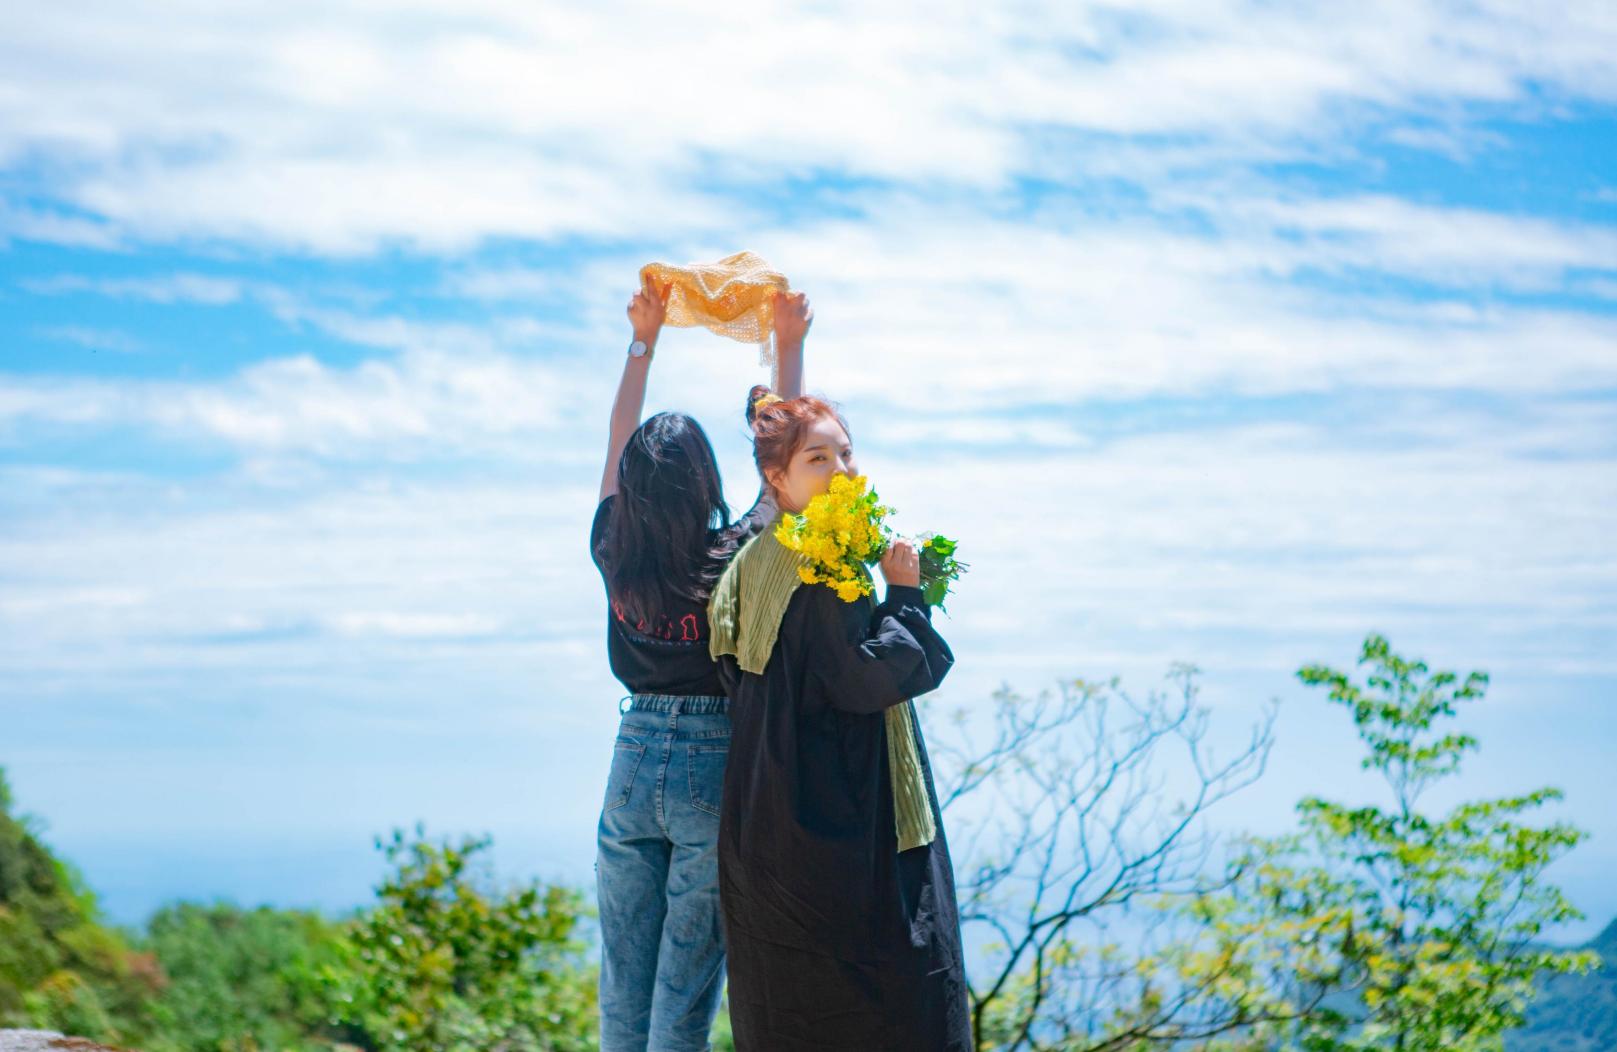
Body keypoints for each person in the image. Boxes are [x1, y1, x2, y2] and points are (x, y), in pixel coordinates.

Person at [705, 390, 971, 1051]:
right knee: (891, 1004)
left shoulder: (756, 558)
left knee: (788, 1007)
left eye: (846, 454)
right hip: (845, 839)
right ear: (777, 478)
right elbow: (864, 678)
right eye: (817, 458)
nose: (842, 472)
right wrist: (905, 597)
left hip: (765, 823)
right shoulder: (820, 565)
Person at [591, 273, 812, 1052]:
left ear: (633, 489)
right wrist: (789, 348)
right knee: (683, 992)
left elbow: (620, 440)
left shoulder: (613, 545)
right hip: (709, 767)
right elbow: (786, 464)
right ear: (705, 482)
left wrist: (642, 339)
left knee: (624, 977)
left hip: (632, 755)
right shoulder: (735, 552)